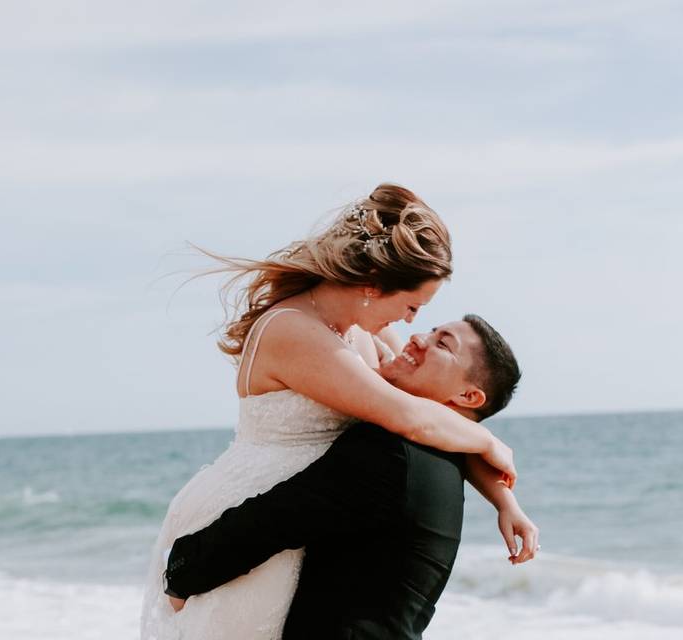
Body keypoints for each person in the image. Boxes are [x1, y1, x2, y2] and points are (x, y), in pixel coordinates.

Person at [139, 185, 517, 640]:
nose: (411, 324)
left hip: (298, 520)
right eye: (413, 306)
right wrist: (492, 442)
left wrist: (503, 499)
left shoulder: (365, 336)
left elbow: (435, 414)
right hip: (244, 517)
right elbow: (414, 419)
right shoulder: (293, 330)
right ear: (373, 284)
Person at [164, 316, 538, 640]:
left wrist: (182, 570)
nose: (418, 338)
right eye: (431, 328)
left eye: (443, 343)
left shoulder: (390, 452)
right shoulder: (446, 455)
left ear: (468, 395)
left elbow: (272, 520)